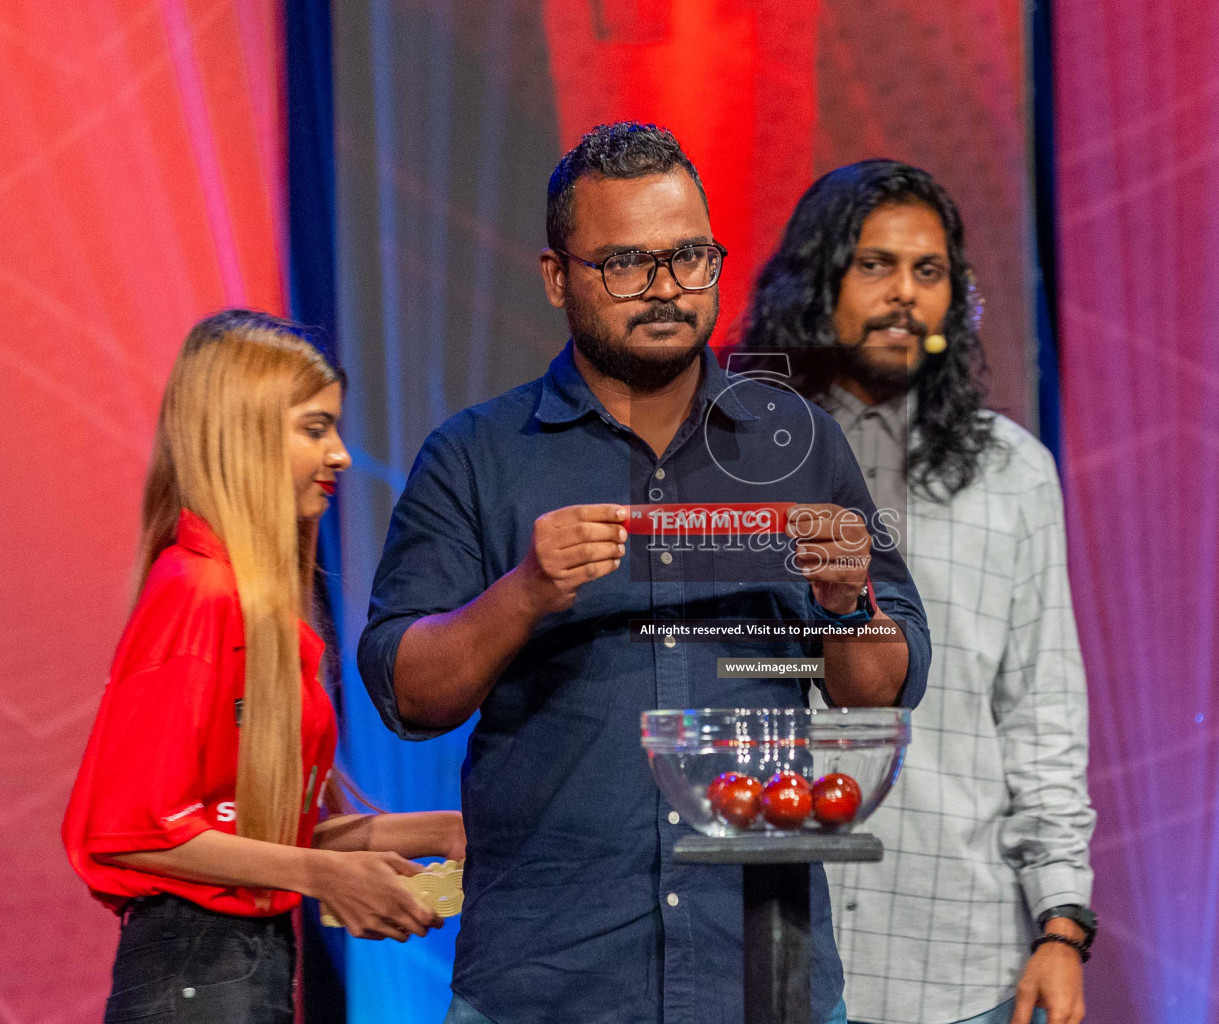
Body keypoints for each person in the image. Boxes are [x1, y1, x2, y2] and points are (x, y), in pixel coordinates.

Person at [357, 123, 931, 1024]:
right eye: (626, 263)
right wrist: (524, 596)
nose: (666, 290)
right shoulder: (475, 457)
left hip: (761, 974)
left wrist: (844, 603)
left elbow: (875, 694)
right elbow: (408, 694)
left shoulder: (796, 442)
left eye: (689, 257)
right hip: (549, 982)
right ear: (558, 277)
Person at [740, 161, 1097, 1024]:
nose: (904, 294)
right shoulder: (741, 457)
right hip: (765, 942)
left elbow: (1041, 714)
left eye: (928, 272)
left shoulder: (1012, 474)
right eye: (874, 265)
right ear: (817, 280)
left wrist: (1062, 924)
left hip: (955, 958)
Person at [63, 310, 466, 1024]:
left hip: (241, 974)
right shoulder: (197, 592)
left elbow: (253, 835)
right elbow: (130, 828)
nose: (341, 454)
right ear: (243, 435)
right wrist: (325, 875)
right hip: (196, 982)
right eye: (315, 429)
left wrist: (442, 832)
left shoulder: (251, 606)